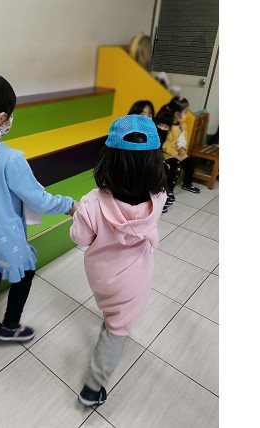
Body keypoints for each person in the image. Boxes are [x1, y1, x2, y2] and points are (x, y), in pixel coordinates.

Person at [0, 72, 77, 355]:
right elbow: (39, 200)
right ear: (1, 118)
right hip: (5, 234)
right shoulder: (11, 158)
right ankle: (9, 326)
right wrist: (69, 204)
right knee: (25, 273)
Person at [69, 115, 169, 406]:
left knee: (111, 311)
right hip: (134, 279)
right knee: (117, 329)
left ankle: (110, 314)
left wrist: (77, 214)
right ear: (155, 161)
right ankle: (92, 388)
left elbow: (80, 237)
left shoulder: (91, 203)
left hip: (102, 277)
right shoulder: (159, 197)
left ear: (108, 159)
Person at [155, 96, 201, 212]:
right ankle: (169, 190)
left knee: (190, 162)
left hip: (178, 153)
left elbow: (182, 140)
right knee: (173, 166)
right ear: (176, 113)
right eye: (185, 112)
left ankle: (187, 184)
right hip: (167, 154)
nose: (186, 114)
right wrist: (175, 154)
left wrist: (183, 149)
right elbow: (164, 144)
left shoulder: (181, 125)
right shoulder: (166, 124)